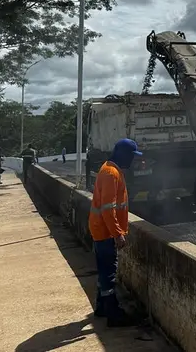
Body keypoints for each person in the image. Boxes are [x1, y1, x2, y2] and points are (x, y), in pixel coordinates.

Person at [88, 138, 141, 327]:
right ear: (123, 154)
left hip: (100, 229)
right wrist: (118, 233)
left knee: (103, 269)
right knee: (109, 272)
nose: (133, 161)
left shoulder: (108, 169)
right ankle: (113, 313)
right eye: (132, 156)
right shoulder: (111, 173)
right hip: (106, 231)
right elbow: (108, 208)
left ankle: (102, 307)